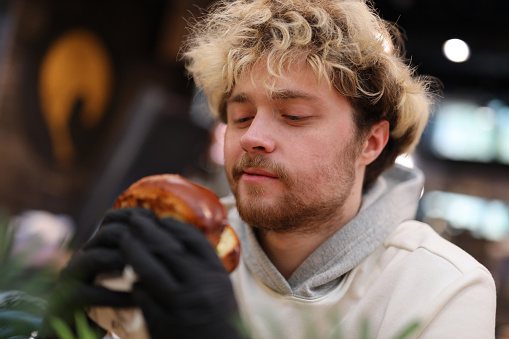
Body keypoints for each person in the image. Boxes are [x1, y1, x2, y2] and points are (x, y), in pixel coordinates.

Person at [36, 0, 496, 338]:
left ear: (370, 143)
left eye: (294, 115)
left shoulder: (442, 287)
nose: (253, 136)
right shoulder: (174, 245)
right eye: (240, 116)